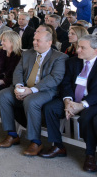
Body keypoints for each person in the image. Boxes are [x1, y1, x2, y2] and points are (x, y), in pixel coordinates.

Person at [0, 31, 67, 156]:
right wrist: (18, 86)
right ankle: (12, 134)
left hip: (45, 91)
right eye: (34, 39)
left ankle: (36, 142)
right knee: (3, 95)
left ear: (49, 42)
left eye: (38, 40)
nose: (34, 42)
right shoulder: (28, 53)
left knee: (31, 100)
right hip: (26, 87)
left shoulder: (59, 57)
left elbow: (55, 78)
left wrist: (31, 90)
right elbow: (18, 72)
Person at [39, 35, 97, 172]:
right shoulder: (73, 62)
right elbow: (65, 84)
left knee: (87, 117)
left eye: (83, 48)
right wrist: (67, 101)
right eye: (78, 47)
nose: (78, 51)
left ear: (95, 50)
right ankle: (58, 145)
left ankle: (90, 155)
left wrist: (81, 105)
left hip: (91, 103)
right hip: (72, 100)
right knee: (50, 108)